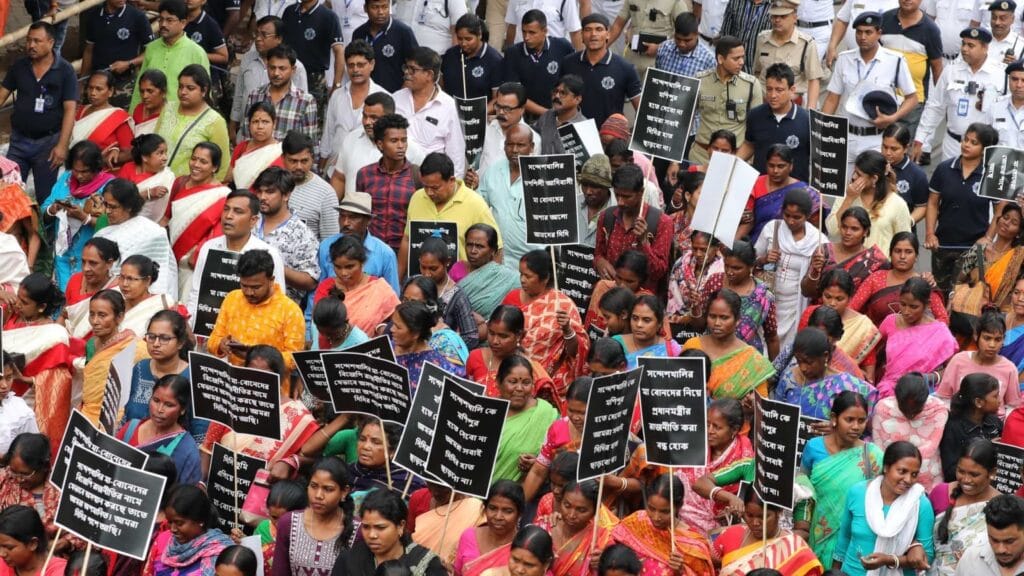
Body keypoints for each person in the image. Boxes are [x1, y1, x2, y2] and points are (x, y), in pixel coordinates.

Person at [200, 346, 318, 483]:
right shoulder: (230, 402)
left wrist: (291, 462)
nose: (256, 380)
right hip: (221, 485)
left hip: (265, 491)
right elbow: (208, 448)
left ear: (278, 378)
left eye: (265, 375)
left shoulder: (298, 416)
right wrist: (202, 484)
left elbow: (312, 459)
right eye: (251, 373)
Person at [822, 12, 918, 177]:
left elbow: (913, 98)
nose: (863, 37)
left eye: (868, 32)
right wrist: (822, 129)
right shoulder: (845, 59)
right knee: (841, 187)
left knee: (873, 187)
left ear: (879, 33)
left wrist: (892, 118)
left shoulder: (894, 60)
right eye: (859, 32)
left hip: (875, 138)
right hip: (846, 136)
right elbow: (832, 99)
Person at [0, 21, 79, 205]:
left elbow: (70, 109)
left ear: (51, 43)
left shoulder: (65, 71)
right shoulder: (19, 66)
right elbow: (2, 95)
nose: (31, 45)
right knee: (9, 194)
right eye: (29, 40)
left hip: (48, 145)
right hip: (18, 141)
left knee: (46, 197)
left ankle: (44, 224)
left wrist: (62, 146)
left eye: (37, 41)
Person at [801, 391, 883, 565]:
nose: (856, 427)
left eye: (861, 421)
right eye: (849, 419)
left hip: (854, 539)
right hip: (818, 535)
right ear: (834, 418)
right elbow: (802, 491)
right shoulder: (813, 447)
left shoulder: (873, 455)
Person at [833, 441, 936, 576]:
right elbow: (844, 538)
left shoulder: (920, 505)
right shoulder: (858, 493)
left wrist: (890, 560)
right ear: (886, 467)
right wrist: (834, 572)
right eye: (902, 471)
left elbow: (927, 558)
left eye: (914, 474)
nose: (908, 479)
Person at [185, 190, 287, 324]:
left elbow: (278, 301)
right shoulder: (209, 247)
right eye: (226, 209)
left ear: (253, 221)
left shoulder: (269, 254)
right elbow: (196, 294)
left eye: (238, 212)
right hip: (208, 328)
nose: (228, 216)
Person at [502, 250, 589, 403]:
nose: (522, 280)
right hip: (510, 375)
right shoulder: (512, 297)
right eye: (521, 274)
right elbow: (499, 331)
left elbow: (576, 352)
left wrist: (567, 330)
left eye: (528, 276)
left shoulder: (563, 305)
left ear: (545, 278)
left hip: (550, 381)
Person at [925, 122, 1000, 293]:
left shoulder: (990, 175)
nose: (966, 145)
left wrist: (988, 238)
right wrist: (930, 233)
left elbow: (999, 212)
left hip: (973, 249)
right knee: (939, 294)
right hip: (943, 245)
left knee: (965, 296)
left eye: (974, 142)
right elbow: (932, 203)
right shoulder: (944, 169)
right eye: (965, 140)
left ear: (984, 149)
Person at [399, 153, 501, 275]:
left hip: (462, 283)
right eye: (425, 187)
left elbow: (497, 248)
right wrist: (397, 281)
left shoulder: (475, 203)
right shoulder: (417, 198)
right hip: (421, 281)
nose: (429, 192)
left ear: (451, 180)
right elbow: (407, 240)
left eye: (435, 188)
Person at [913, 28, 1004, 165]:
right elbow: (935, 107)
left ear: (985, 48)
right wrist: (920, 139)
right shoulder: (951, 70)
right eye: (963, 44)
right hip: (953, 145)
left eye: (970, 45)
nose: (964, 49)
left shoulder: (1001, 74)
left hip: (985, 148)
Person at [1, 278, 74, 448]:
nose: (18, 304)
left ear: (41, 307)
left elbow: (59, 379)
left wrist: (24, 379)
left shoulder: (54, 334)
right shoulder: (11, 316)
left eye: (24, 302)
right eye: (18, 297)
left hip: (28, 400)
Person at [754, 186, 828, 346]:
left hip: (795, 305)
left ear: (807, 216)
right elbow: (750, 261)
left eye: (797, 217)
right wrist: (764, 259)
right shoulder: (772, 228)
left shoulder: (818, 241)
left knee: (789, 346)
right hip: (767, 301)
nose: (791, 221)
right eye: (787, 215)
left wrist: (816, 268)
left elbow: (815, 288)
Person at [208, 250, 305, 369]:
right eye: (244, 285)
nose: (249, 292)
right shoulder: (232, 299)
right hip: (232, 377)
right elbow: (212, 341)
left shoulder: (290, 311)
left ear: (271, 280)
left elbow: (294, 359)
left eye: (256, 287)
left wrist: (255, 358)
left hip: (269, 380)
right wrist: (221, 344)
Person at [41, 141, 114, 288]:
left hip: (91, 257)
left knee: (84, 294)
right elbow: (44, 208)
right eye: (75, 170)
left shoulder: (109, 186)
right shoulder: (66, 178)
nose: (79, 176)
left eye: (85, 171)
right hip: (63, 253)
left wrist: (84, 217)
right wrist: (53, 209)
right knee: (64, 292)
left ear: (96, 168)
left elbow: (112, 223)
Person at [611, 473, 716, 576]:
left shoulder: (693, 546)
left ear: (678, 506)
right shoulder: (637, 521)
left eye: (665, 512)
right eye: (651, 508)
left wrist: (680, 572)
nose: (656, 517)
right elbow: (613, 551)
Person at [123, 310, 203, 439]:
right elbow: (127, 415)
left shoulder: (195, 378)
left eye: (164, 338)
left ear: (180, 342)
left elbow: (200, 432)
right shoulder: (140, 368)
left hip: (173, 449)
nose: (156, 344)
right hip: (132, 446)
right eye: (151, 337)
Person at [352, 112, 424, 253]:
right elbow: (360, 216)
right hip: (371, 251)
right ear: (380, 144)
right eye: (394, 141)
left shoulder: (417, 175)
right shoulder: (365, 175)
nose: (401, 146)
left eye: (404, 140)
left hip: (405, 252)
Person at [694, 240, 780, 358]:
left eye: (736, 268)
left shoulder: (763, 295)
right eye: (726, 266)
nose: (729, 272)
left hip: (747, 359)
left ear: (751, 267)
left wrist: (773, 368)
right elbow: (700, 325)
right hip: (713, 354)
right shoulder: (715, 282)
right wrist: (695, 307)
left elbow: (771, 337)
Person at [593, 164, 672, 292]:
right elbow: (598, 254)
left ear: (641, 192)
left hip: (641, 300)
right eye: (617, 195)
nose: (620, 202)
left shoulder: (662, 222)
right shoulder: (606, 217)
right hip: (610, 295)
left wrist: (644, 242)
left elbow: (658, 271)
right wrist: (599, 262)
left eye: (627, 197)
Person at [95, 179, 179, 298]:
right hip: (105, 299)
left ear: (129, 207)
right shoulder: (102, 234)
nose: (107, 211)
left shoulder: (154, 233)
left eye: (113, 207)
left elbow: (166, 273)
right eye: (105, 204)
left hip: (147, 300)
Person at [684, 288, 776, 398]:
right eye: (712, 316)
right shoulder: (693, 346)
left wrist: (748, 404)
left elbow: (759, 403)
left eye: (724, 318)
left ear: (737, 320)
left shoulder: (751, 360)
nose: (717, 323)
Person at [230, 15, 309, 141]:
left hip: (280, 139)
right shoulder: (247, 59)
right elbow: (239, 94)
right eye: (256, 34)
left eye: (264, 35)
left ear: (278, 39)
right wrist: (233, 124)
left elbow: (302, 105)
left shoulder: (296, 67)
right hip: (249, 135)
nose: (258, 39)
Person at [330, 490, 446, 576]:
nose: (372, 535)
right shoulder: (349, 559)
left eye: (380, 527)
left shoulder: (426, 563)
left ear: (400, 526)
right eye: (366, 527)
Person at [875, 277, 958, 398]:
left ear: (927, 305)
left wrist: (933, 377)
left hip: (922, 395)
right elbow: (873, 350)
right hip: (889, 392)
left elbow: (953, 368)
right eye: (903, 304)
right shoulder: (890, 322)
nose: (906, 311)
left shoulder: (940, 332)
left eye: (913, 307)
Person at [271, 458, 354, 576]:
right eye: (314, 486)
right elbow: (279, 572)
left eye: (328, 489)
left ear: (344, 491)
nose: (318, 495)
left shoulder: (358, 530)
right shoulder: (288, 522)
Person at [930, 439, 1001, 576]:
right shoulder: (940, 493)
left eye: (974, 474)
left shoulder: (1003, 506)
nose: (966, 480)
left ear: (992, 472)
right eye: (961, 471)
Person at [688, 36, 762, 165]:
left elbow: (757, 128)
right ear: (720, 59)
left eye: (742, 57)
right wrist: (674, 162)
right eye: (736, 58)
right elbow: (685, 120)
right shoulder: (700, 81)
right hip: (701, 156)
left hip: (736, 158)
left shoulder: (751, 85)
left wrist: (739, 160)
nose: (741, 62)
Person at [559, 14, 642, 129]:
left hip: (608, 136)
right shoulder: (568, 63)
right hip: (574, 133)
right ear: (582, 35)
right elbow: (558, 98)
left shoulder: (625, 68)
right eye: (588, 30)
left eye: (599, 29)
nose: (593, 34)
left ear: (608, 34)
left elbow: (640, 108)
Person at [773, 327, 877, 419]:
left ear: (825, 356)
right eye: (799, 361)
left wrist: (836, 427)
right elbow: (776, 413)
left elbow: (867, 401)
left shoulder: (844, 383)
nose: (803, 368)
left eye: (809, 362)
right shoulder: (789, 378)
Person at [251, 167, 320, 305]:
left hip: (280, 310)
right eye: (259, 191)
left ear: (286, 195)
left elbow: (310, 281)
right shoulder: (249, 221)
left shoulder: (302, 234)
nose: (262, 197)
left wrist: (274, 266)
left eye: (270, 192)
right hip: (242, 306)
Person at [477, 124, 541, 272]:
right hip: (499, 258)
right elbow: (480, 206)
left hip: (532, 261)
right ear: (504, 146)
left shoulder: (543, 176)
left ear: (531, 147)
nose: (514, 150)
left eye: (521, 145)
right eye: (510, 145)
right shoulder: (493, 170)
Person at [394, 49, 467, 178]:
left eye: (412, 69)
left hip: (431, 181)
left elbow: (456, 152)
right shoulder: (396, 99)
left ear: (429, 74)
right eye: (406, 67)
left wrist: (454, 183)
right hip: (397, 177)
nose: (406, 72)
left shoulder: (448, 106)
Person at [116, 374, 201, 485]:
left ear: (183, 409)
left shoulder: (187, 451)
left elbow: (186, 493)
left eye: (169, 405)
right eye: (156, 400)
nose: (159, 409)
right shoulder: (130, 429)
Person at [715, 489, 823, 576]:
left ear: (779, 512)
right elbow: (709, 568)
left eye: (763, 517)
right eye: (749, 515)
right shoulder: (730, 535)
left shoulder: (796, 549)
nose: (755, 523)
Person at [850, 232, 948, 326]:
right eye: (897, 251)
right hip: (877, 336)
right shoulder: (876, 278)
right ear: (890, 254)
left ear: (916, 256)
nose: (902, 256)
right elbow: (852, 308)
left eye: (908, 252)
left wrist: (924, 333)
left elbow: (943, 319)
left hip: (913, 337)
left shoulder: (923, 283)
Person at [873, 372, 950, 492]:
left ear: (925, 400)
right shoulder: (883, 410)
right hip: (892, 480)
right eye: (905, 408)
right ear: (896, 398)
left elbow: (932, 447)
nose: (910, 414)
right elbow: (880, 450)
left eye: (916, 409)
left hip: (929, 480)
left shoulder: (937, 410)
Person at [937, 310, 1021, 417]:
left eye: (997, 339)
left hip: (994, 424)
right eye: (987, 338)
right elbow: (944, 398)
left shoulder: (1009, 369)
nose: (992, 345)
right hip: (959, 420)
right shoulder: (958, 361)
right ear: (976, 336)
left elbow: (1012, 407)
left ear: (1003, 340)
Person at [826, 150, 913, 253]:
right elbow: (832, 231)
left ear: (874, 178)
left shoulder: (897, 204)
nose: (854, 177)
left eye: (859, 175)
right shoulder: (847, 195)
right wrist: (849, 199)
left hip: (882, 262)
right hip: (850, 260)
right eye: (854, 172)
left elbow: (905, 243)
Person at [129, 0, 210, 111]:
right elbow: (141, 86)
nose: (163, 24)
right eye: (161, 19)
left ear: (183, 23)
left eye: (169, 20)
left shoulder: (197, 52)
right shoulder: (151, 48)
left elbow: (205, 93)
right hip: (150, 116)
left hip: (181, 117)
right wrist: (133, 114)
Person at [799, 271, 882, 379]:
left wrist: (848, 370)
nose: (832, 303)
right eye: (828, 297)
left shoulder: (864, 327)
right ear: (821, 294)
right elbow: (799, 352)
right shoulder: (810, 314)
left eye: (839, 299)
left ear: (850, 298)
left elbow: (869, 376)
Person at [316, 191, 400, 295]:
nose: (345, 223)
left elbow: (392, 295)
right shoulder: (326, 246)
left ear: (368, 220)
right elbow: (318, 289)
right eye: (342, 216)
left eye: (353, 217)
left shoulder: (385, 254)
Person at [313, 235, 400, 336]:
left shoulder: (379, 288)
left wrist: (381, 327)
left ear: (362, 263)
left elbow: (398, 321)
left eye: (349, 267)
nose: (343, 273)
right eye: (338, 267)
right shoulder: (326, 287)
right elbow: (318, 325)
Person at [81, 290, 144, 428]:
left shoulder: (135, 347)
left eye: (102, 315)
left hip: (114, 420)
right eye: (92, 314)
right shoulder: (91, 344)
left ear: (119, 317)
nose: (95, 321)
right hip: (85, 417)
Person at [155, 66, 231, 181]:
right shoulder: (168, 109)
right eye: (180, 87)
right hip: (156, 181)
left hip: (189, 186)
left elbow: (222, 166)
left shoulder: (215, 121)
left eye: (190, 88)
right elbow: (154, 144)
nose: (183, 92)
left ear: (204, 91)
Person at [739, 64, 811, 183]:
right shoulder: (755, 115)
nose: (773, 95)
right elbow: (749, 144)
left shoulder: (807, 121)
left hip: (794, 191)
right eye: (769, 89)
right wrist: (732, 165)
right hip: (761, 187)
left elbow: (817, 160)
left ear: (792, 90)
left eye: (779, 90)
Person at [320, 40, 385, 172]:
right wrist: (322, 165)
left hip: (369, 171)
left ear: (372, 64)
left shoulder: (384, 98)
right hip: (334, 168)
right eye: (351, 65)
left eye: (360, 65)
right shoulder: (337, 95)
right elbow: (329, 133)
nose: (355, 70)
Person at [239, 47, 319, 152]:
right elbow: (247, 135)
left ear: (293, 70)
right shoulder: (255, 96)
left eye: (282, 68)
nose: (276, 73)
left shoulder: (305, 101)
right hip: (257, 159)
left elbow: (310, 143)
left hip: (287, 161)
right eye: (272, 68)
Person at [492, 356, 559, 482]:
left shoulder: (545, 413)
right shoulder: (486, 410)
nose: (519, 388)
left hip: (523, 491)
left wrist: (539, 464)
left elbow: (562, 460)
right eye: (513, 382)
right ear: (498, 382)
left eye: (526, 383)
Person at [803, 207, 889, 301]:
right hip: (822, 309)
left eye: (854, 229)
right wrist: (815, 272)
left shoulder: (875, 261)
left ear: (865, 232)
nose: (847, 233)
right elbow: (806, 292)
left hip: (854, 310)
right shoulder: (823, 251)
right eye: (844, 227)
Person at [501, 10, 576, 117]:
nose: (526, 37)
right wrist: (548, 114)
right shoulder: (513, 53)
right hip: (525, 117)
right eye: (524, 32)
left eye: (532, 32)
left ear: (545, 31)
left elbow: (572, 84)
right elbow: (515, 94)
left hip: (559, 113)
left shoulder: (563, 47)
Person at [81, 0, 154, 109]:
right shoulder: (93, 15)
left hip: (124, 84)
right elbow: (88, 50)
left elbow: (152, 51)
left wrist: (128, 63)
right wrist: (82, 81)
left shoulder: (137, 17)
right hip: (97, 82)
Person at [149, 485, 234, 576]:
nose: (172, 529)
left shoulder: (223, 555)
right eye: (170, 522)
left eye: (179, 523)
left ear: (200, 520)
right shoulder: (163, 539)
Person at [536, 480, 615, 576]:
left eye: (581, 510)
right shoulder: (543, 527)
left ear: (595, 511)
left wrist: (604, 563)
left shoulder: (601, 539)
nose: (571, 515)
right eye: (567, 506)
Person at [753, 1, 824, 108]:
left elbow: (814, 79)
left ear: (795, 18)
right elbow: (757, 72)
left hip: (792, 106)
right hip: (763, 104)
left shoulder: (806, 43)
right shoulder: (762, 39)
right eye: (774, 16)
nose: (777, 20)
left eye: (783, 16)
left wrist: (810, 110)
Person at [959, 204, 1024, 313]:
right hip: (972, 311)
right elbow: (959, 280)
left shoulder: (1019, 257)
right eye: (1005, 217)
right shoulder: (978, 250)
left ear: (1019, 232)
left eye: (1014, 223)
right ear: (998, 220)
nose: (1006, 223)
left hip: (1002, 315)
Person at [939, 374, 1003, 482]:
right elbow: (950, 471)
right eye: (995, 396)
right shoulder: (953, 428)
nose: (999, 401)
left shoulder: (994, 422)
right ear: (978, 402)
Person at [452, 481, 524, 576]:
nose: (498, 517)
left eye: (507, 511)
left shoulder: (523, 548)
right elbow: (457, 573)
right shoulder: (469, 536)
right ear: (485, 509)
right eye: (493, 508)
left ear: (519, 514)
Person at [416, 237, 478, 348]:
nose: (427, 274)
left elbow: (471, 337)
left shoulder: (457, 296)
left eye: (433, 269)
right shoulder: (414, 286)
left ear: (447, 262)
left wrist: (445, 342)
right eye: (423, 267)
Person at [607, 0, 690, 80]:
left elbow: (686, 34)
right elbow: (618, 25)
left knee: (651, 90)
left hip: (658, 62)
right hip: (632, 58)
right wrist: (603, 47)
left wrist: (660, 48)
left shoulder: (676, 2)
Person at [391, 301, 466, 387]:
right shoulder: (387, 347)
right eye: (393, 324)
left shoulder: (435, 365)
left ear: (415, 334)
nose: (392, 329)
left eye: (398, 327)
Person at [350, 0, 419, 94]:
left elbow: (416, 65)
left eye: (384, 7)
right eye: (375, 7)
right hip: (366, 95)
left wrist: (401, 94)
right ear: (365, 8)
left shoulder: (403, 32)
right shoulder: (359, 33)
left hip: (394, 95)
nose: (380, 12)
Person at [0, 435, 61, 539]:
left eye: (25, 474)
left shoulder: (59, 492)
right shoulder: (5, 478)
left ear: (44, 467)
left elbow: (79, 532)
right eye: (14, 472)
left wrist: (63, 543)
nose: (19, 479)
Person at [455, 224, 520, 319]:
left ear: (493, 251)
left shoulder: (509, 278)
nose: (473, 251)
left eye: (480, 246)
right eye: (469, 245)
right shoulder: (457, 268)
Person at [71, 71, 134, 168]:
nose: (93, 93)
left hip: (99, 171)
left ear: (110, 91)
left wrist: (100, 161)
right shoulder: (80, 111)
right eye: (90, 88)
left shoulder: (118, 116)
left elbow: (129, 153)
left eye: (99, 89)